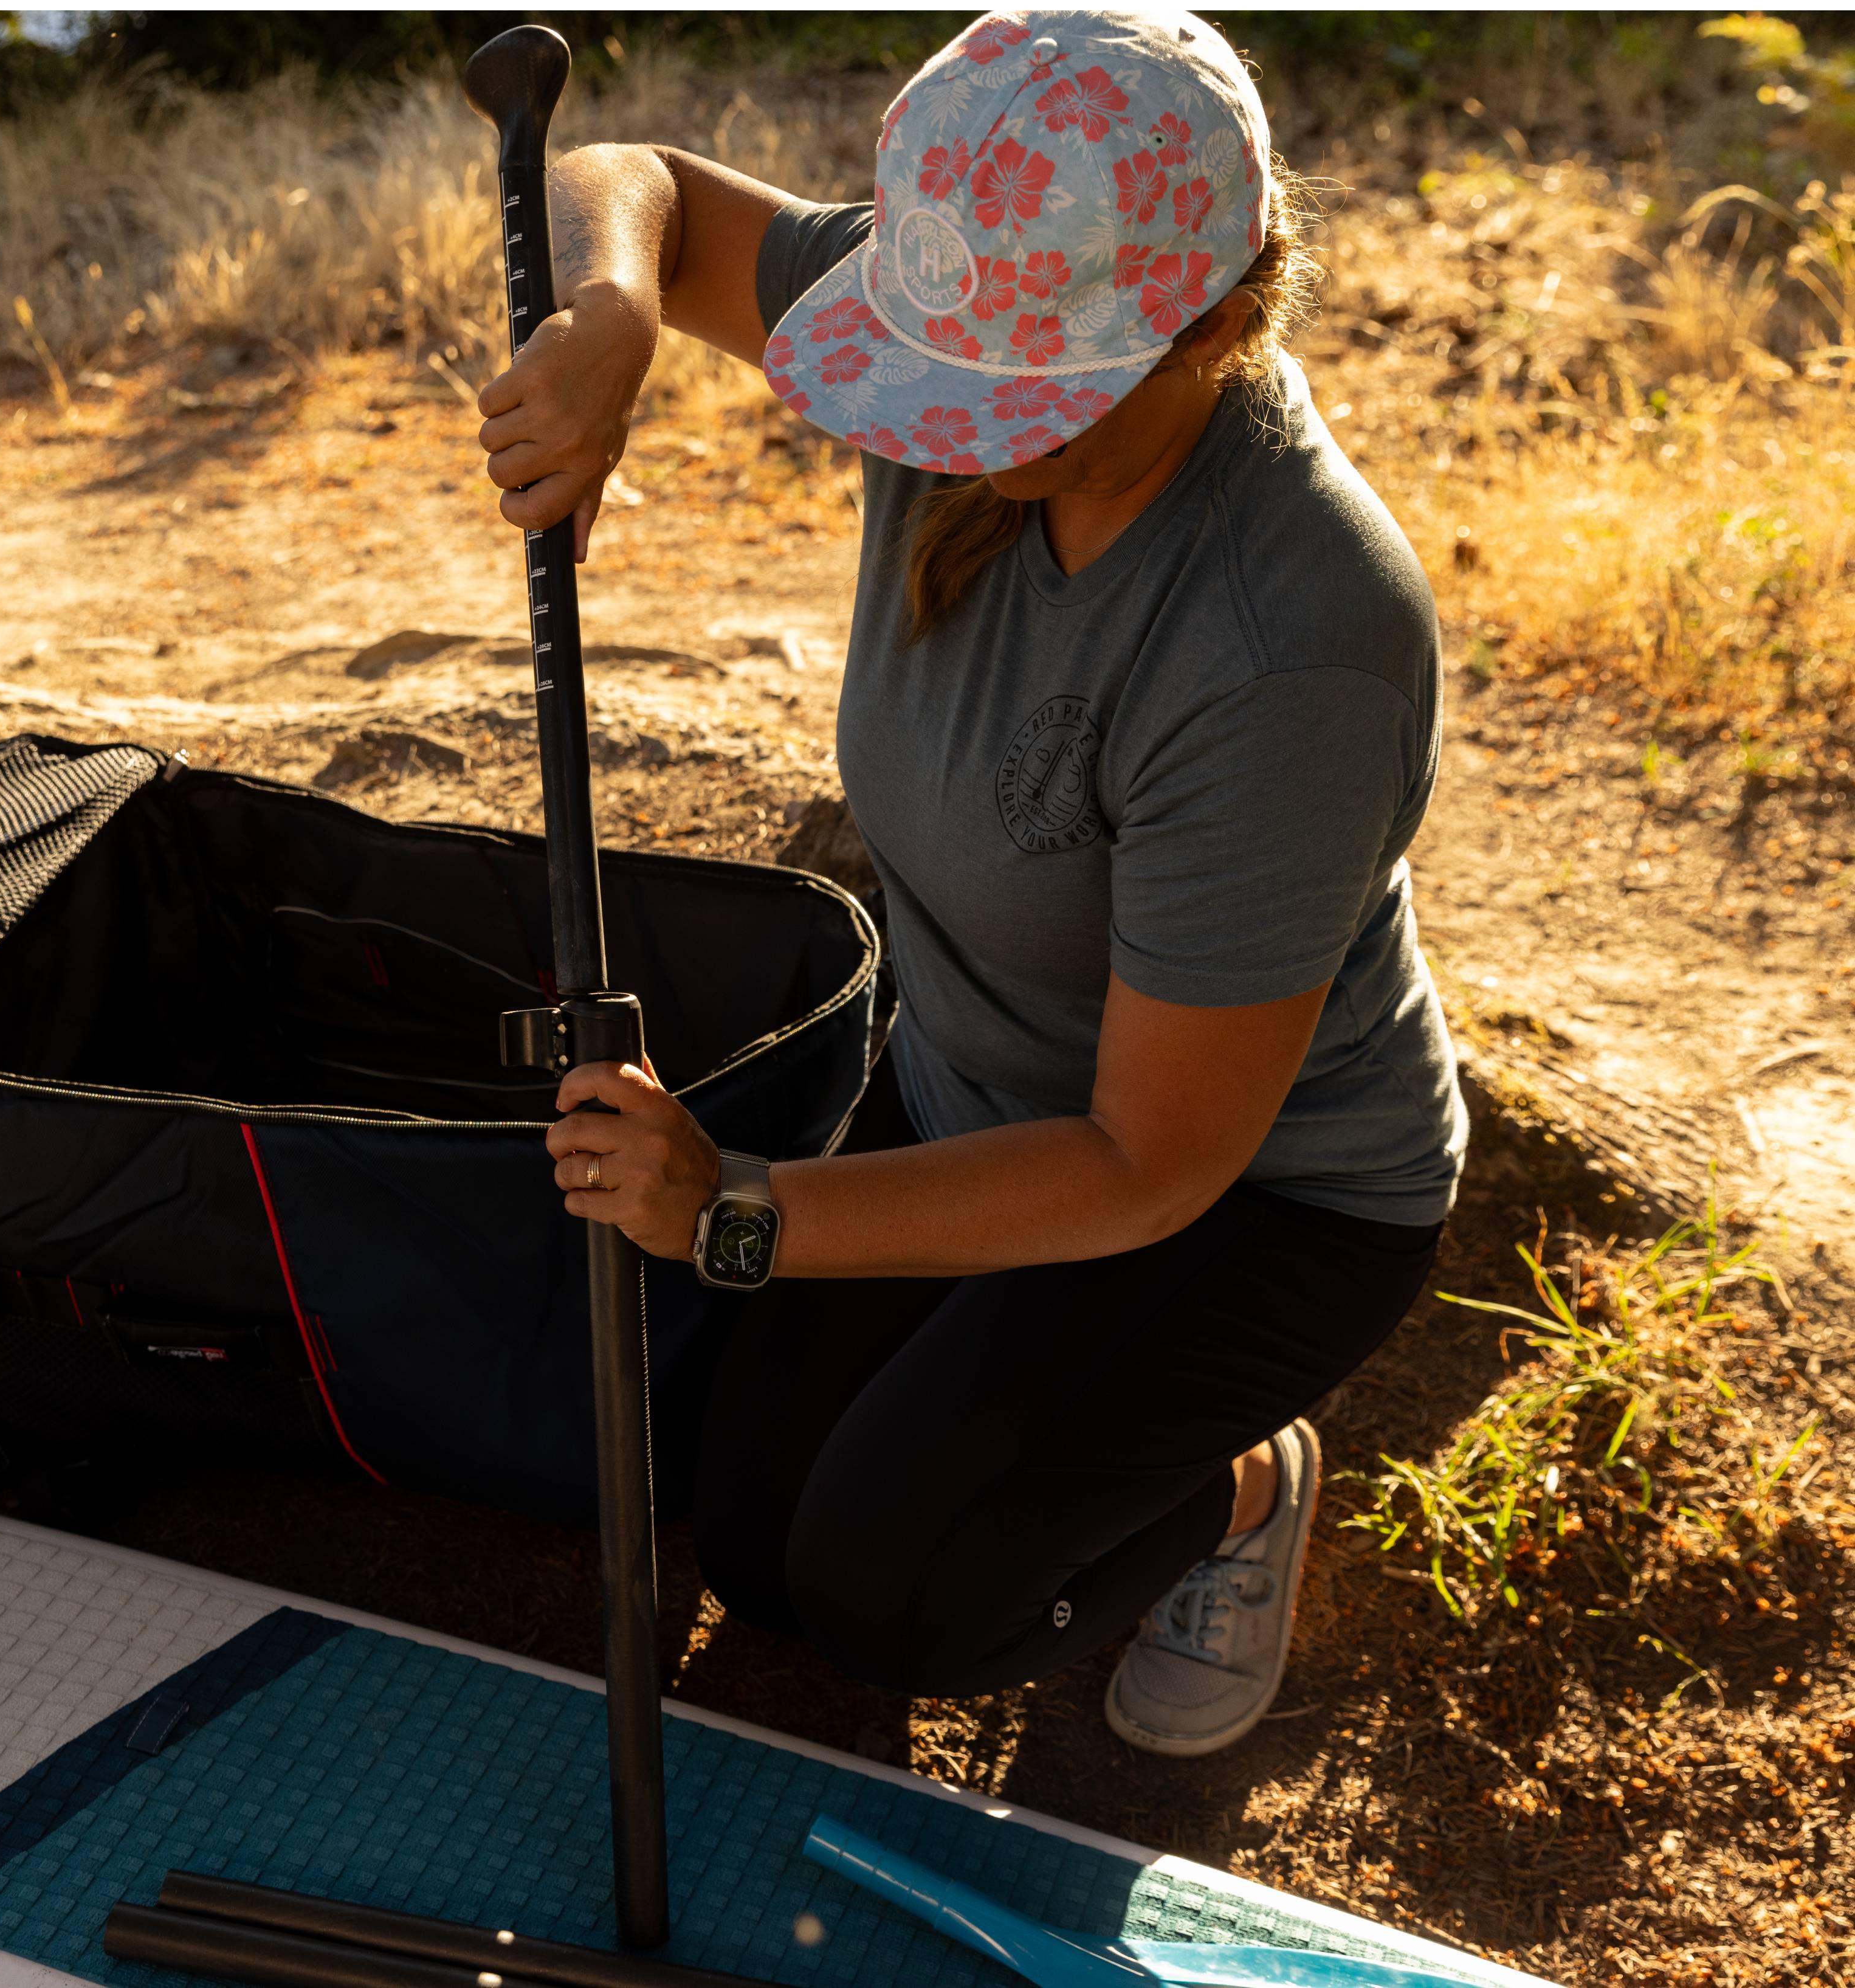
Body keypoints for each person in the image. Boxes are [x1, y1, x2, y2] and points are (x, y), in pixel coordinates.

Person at [476, 5, 1467, 1759]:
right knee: (753, 1537)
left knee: (890, 1596)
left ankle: (1234, 1489)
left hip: (1244, 1202)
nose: (954, 425)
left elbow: (1145, 1160)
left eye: (1029, 395)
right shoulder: (981, 294)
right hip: (976, 1092)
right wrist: (616, 321)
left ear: (1218, 325)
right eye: (945, 368)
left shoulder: (1291, 639)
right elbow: (635, 184)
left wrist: (741, 1203)